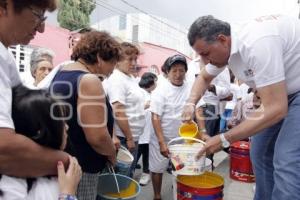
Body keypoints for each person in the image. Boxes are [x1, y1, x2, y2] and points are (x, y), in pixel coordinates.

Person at [182, 15, 300, 200]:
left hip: (293, 95)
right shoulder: (224, 50)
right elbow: (203, 77)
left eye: (205, 54)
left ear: (222, 39)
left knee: (286, 159)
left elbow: (276, 108)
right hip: (281, 95)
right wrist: (190, 102)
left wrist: (224, 138)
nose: (204, 61)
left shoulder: (257, 43)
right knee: (259, 152)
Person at [0, 0, 70, 183]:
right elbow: (3, 149)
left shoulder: (5, 55)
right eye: (38, 15)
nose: (41, 29)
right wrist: (68, 163)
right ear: (4, 6)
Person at [51, 31, 121, 200]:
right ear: (98, 58)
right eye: (112, 63)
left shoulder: (62, 72)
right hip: (82, 166)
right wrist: (112, 154)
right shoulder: (89, 80)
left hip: (64, 162)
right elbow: (96, 137)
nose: (112, 70)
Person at [0, 85, 82, 200]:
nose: (67, 127)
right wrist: (68, 195)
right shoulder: (35, 189)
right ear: (42, 131)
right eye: (62, 123)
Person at [149, 55, 191, 200]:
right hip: (161, 137)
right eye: (174, 71)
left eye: (181, 70)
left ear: (186, 71)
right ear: (168, 72)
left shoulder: (190, 87)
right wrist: (162, 142)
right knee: (157, 168)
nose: (178, 74)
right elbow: (155, 117)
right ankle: (157, 195)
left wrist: (202, 132)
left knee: (180, 166)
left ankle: (179, 192)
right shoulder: (161, 90)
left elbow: (198, 108)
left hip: (181, 139)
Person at [105, 42, 146, 178]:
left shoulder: (129, 78)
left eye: (136, 58)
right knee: (121, 178)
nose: (134, 63)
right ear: (117, 60)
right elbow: (118, 110)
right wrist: (129, 138)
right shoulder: (117, 79)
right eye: (130, 59)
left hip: (133, 136)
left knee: (128, 175)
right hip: (123, 137)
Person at [135, 72, 157, 186]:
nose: (156, 83)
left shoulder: (153, 93)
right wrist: (145, 105)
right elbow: (135, 108)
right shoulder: (139, 93)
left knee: (146, 152)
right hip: (140, 130)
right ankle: (132, 171)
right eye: (155, 81)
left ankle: (145, 173)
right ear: (150, 82)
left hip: (149, 130)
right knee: (138, 151)